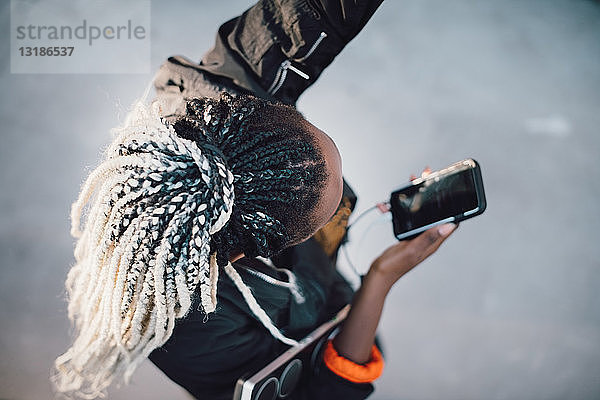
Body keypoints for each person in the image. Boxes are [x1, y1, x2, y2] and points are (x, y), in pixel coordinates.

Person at [53, 1, 457, 399]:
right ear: (270, 247)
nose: (342, 209)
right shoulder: (190, 325)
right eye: (327, 216)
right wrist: (380, 280)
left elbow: (303, 16)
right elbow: (315, 392)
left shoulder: (223, 108)